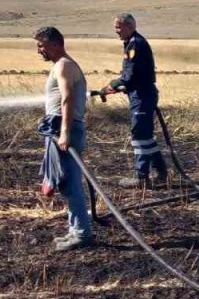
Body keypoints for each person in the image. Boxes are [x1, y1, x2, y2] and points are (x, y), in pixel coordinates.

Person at [34, 27, 92, 252]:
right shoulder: (60, 65)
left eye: (42, 45)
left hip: (63, 128)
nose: (39, 50)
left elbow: (68, 98)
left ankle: (81, 234)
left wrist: (65, 132)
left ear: (56, 44)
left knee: (70, 182)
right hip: (58, 126)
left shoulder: (64, 65)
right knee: (67, 183)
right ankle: (76, 229)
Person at [101, 13, 167, 189]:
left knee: (139, 135)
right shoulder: (133, 42)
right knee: (145, 135)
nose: (116, 31)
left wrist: (112, 85)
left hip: (142, 95)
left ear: (129, 27)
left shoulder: (135, 44)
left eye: (118, 27)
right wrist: (124, 86)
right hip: (141, 93)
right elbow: (136, 75)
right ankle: (161, 172)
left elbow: (129, 75)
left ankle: (141, 177)